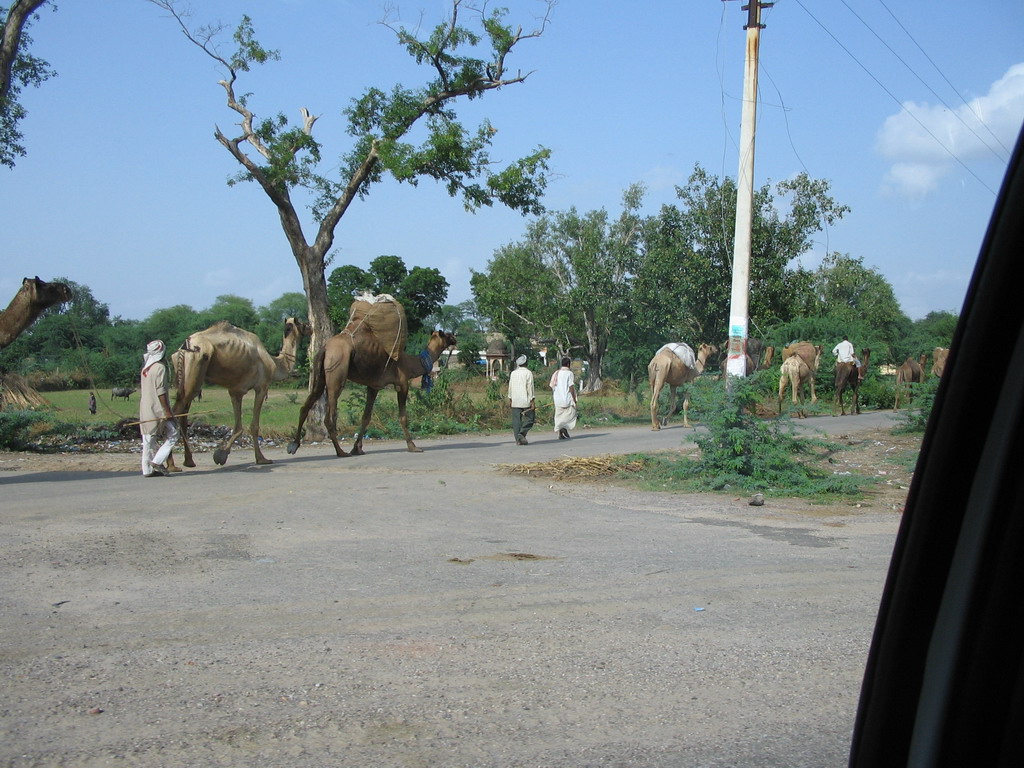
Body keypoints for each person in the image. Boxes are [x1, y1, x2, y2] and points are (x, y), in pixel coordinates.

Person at [138, 340, 180, 477]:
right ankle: (157, 461)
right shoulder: (160, 368)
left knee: (148, 440)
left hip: (145, 408)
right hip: (157, 409)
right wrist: (167, 410)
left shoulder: (145, 368)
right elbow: (161, 391)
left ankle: (147, 470)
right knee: (174, 433)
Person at [507, 354, 535, 445]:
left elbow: (510, 387)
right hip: (525, 400)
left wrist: (510, 398)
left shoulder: (513, 373)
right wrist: (532, 400)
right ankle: (522, 433)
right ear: (526, 363)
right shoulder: (528, 373)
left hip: (515, 400)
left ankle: (518, 440)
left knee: (516, 421)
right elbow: (530, 387)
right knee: (530, 418)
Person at [549, 356, 578, 440]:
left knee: (559, 416)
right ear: (568, 364)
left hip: (557, 399)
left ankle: (561, 432)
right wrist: (574, 398)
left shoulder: (556, 373)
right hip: (567, 398)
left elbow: (552, 386)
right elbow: (571, 387)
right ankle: (563, 429)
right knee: (569, 415)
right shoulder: (569, 373)